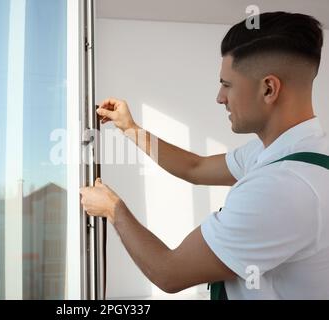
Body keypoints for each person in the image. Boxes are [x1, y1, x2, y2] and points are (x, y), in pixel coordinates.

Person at [79, 11, 329, 299]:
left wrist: (113, 209)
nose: (219, 97)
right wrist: (131, 129)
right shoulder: (291, 151)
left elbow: (168, 272)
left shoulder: (283, 188)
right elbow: (195, 168)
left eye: (227, 84)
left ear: (269, 88)